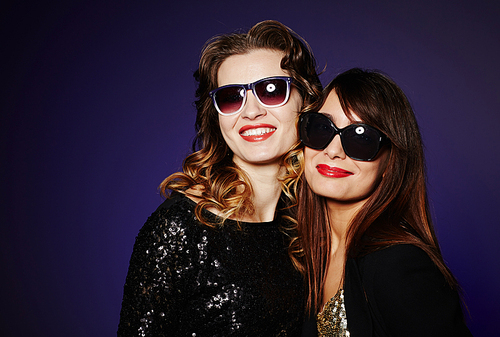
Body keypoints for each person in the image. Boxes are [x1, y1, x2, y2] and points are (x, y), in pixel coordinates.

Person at [118, 20, 322, 336]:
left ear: (306, 101)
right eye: (231, 97)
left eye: (271, 90)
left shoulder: (327, 216)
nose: (250, 111)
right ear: (217, 116)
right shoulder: (178, 227)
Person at [294, 68, 472, 336]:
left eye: (361, 138)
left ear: (391, 162)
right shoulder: (304, 251)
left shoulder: (399, 264)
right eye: (321, 128)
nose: (333, 151)